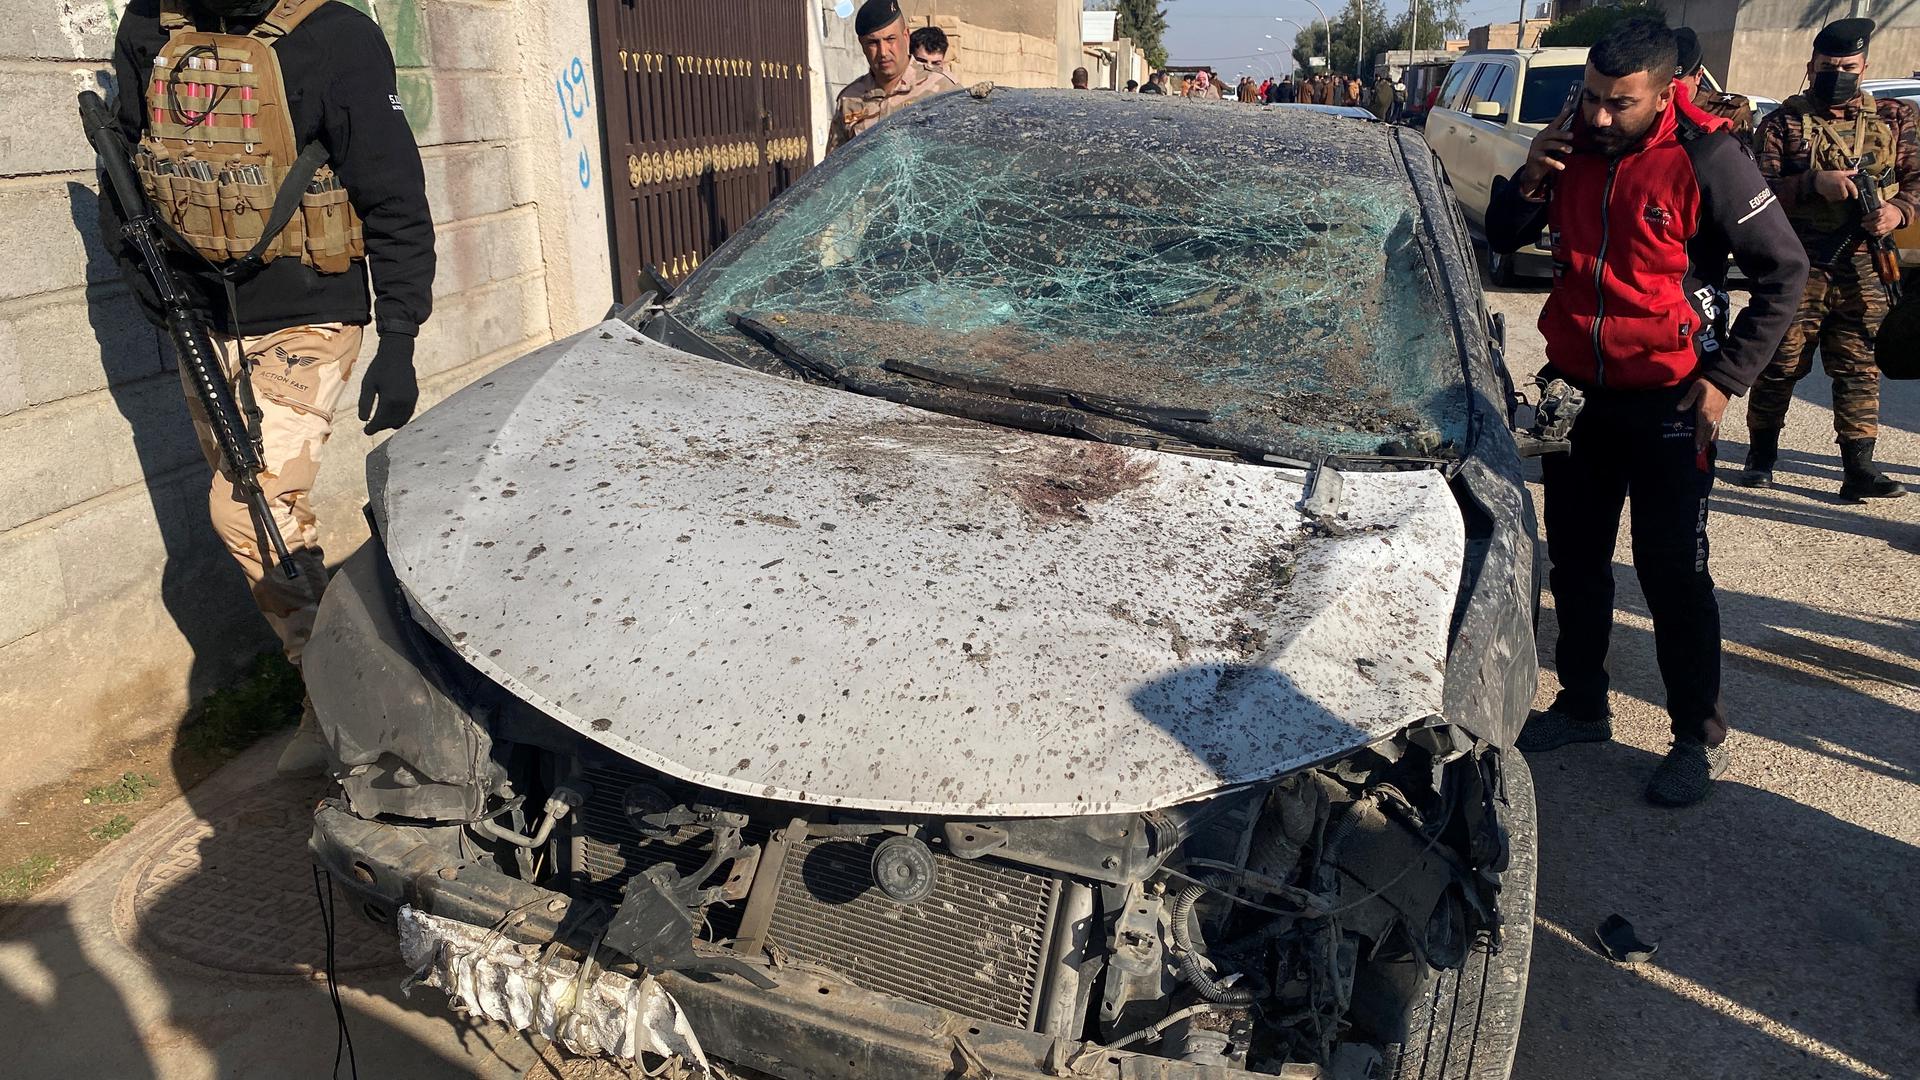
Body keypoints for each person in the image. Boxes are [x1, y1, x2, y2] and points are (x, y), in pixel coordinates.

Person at [104, 0, 435, 776]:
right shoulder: (150, 25)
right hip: (200, 315)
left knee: (247, 509)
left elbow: (393, 192)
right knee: (273, 518)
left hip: (308, 311)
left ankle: (351, 704)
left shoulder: (334, 34)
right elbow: (123, 156)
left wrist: (401, 338)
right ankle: (338, 694)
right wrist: (139, 274)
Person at [1487, 19, 1808, 806]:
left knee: (1672, 573)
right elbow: (1500, 237)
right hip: (1579, 399)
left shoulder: (1707, 158)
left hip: (1673, 404)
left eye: (1618, 104)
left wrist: (1725, 380)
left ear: (1666, 93)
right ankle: (1582, 703)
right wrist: (1530, 176)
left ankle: (1694, 738)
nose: (1597, 117)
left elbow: (1785, 271)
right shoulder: (1569, 147)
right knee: (1577, 563)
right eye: (1589, 98)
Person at [1737, 18, 1916, 500]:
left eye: (1848, 66)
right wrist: (1812, 184)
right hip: (1799, 261)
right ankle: (1762, 456)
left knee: (1860, 364)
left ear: (1865, 67)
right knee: (1780, 361)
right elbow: (1755, 192)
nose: (1838, 73)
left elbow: (1918, 180)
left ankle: (1858, 468)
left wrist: (1897, 212)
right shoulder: (1783, 122)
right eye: (1828, 66)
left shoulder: (1897, 118)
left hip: (1866, 262)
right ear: (1810, 66)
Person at [828, 0, 959, 151]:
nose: (883, 52)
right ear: (862, 45)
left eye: (890, 39)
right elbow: (835, 167)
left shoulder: (943, 88)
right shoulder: (849, 100)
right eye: (873, 43)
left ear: (906, 36)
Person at [1673, 27, 1754, 146]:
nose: (1668, 90)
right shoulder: (1650, 106)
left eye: (1677, 83)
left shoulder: (1730, 111)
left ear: (1698, 76)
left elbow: (1736, 160)